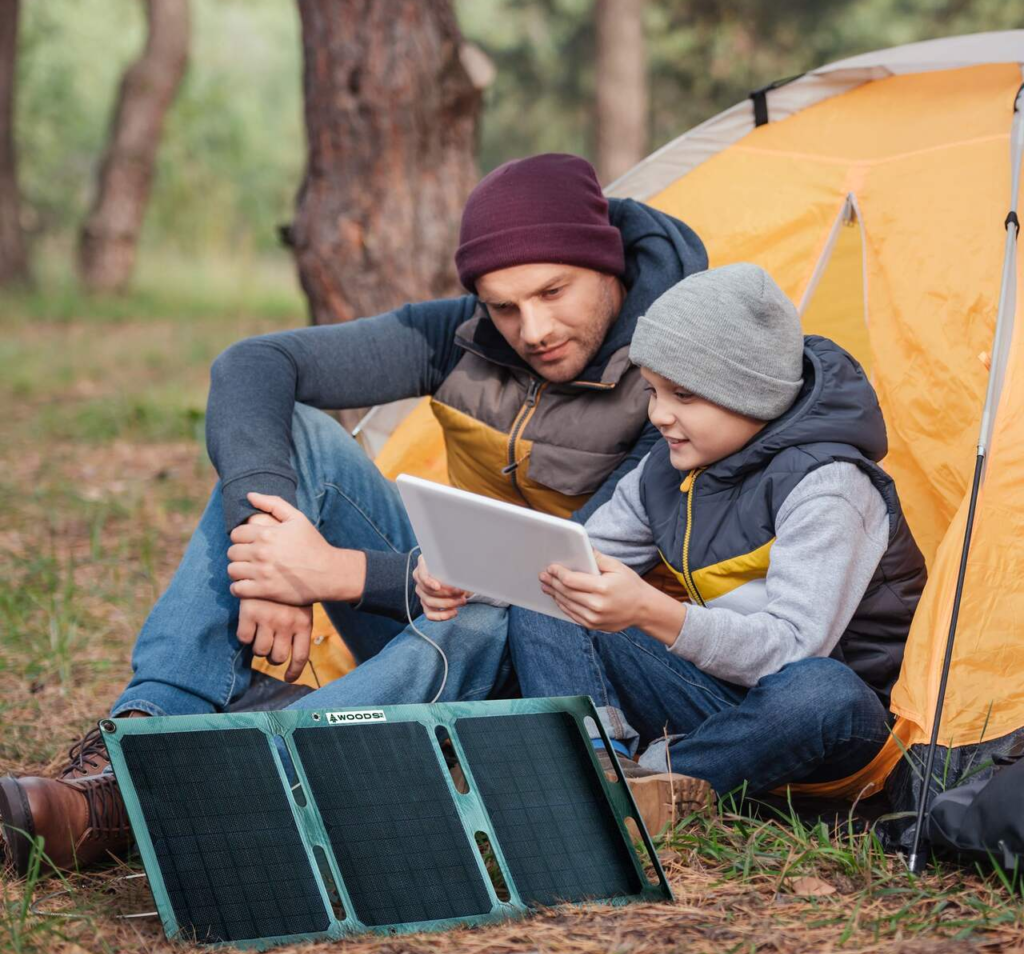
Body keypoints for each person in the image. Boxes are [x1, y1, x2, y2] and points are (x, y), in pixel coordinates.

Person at [0, 154, 707, 875]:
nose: (532, 329)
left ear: (606, 259)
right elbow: (254, 364)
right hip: (446, 592)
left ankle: (181, 786)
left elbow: (568, 574)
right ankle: (138, 733)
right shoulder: (468, 337)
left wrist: (336, 573)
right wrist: (268, 547)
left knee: (494, 613)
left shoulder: (679, 375)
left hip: (585, 650)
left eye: (554, 292)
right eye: (503, 305)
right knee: (299, 444)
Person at [424, 263, 928, 833]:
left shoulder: (829, 487)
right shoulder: (665, 469)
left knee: (821, 691)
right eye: (654, 391)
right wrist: (466, 572)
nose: (659, 415)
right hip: (720, 698)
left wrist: (650, 611)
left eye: (683, 395)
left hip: (831, 732)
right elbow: (571, 557)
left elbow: (788, 651)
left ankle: (650, 782)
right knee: (556, 591)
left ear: (752, 394)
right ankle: (606, 769)